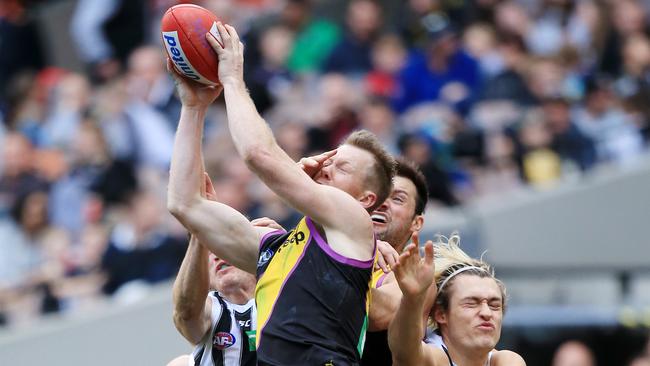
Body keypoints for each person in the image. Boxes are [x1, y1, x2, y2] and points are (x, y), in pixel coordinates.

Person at [167, 22, 396, 365]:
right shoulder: (279, 250)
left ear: (365, 201)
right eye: (331, 158)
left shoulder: (354, 224)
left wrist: (232, 80)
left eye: (344, 168)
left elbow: (259, 155)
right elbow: (186, 204)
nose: (328, 166)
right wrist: (193, 107)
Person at [167, 174, 266, 366]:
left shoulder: (282, 291)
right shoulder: (212, 311)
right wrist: (200, 226)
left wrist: (281, 247)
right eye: (209, 251)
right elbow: (186, 310)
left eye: (224, 246)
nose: (218, 255)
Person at [388, 234, 526, 366]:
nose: (486, 313)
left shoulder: (507, 361)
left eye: (494, 305)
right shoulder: (432, 359)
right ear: (441, 314)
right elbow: (404, 353)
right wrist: (412, 298)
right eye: (471, 304)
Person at [361, 157, 429, 366]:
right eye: (378, 193)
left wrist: (362, 252)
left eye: (398, 199)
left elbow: (379, 316)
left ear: (416, 223)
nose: (383, 203)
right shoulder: (320, 248)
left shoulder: (418, 276)